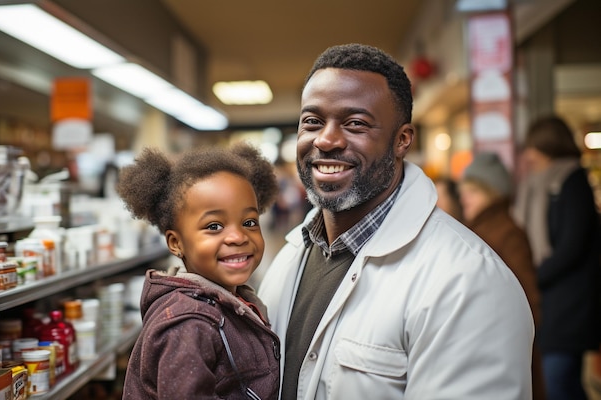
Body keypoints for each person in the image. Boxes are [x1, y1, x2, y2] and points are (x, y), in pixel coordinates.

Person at [258, 43, 534, 399]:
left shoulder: (468, 282)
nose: (326, 139)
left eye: (355, 123)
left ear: (402, 140)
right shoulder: (291, 254)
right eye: (312, 121)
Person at [118, 142, 281, 400]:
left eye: (249, 222)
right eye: (214, 226)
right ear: (176, 243)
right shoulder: (189, 325)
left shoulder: (232, 301)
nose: (238, 236)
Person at [513, 115, 601, 400]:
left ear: (547, 145)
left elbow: (571, 247)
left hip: (569, 302)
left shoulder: (573, 181)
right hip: (550, 302)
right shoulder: (536, 183)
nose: (528, 154)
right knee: (557, 382)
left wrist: (532, 276)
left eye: (533, 146)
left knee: (558, 381)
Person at [459, 152, 545, 399]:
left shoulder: (508, 234)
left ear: (493, 193)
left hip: (502, 354)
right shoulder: (477, 228)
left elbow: (530, 304)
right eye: (464, 190)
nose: (465, 198)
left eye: (473, 191)